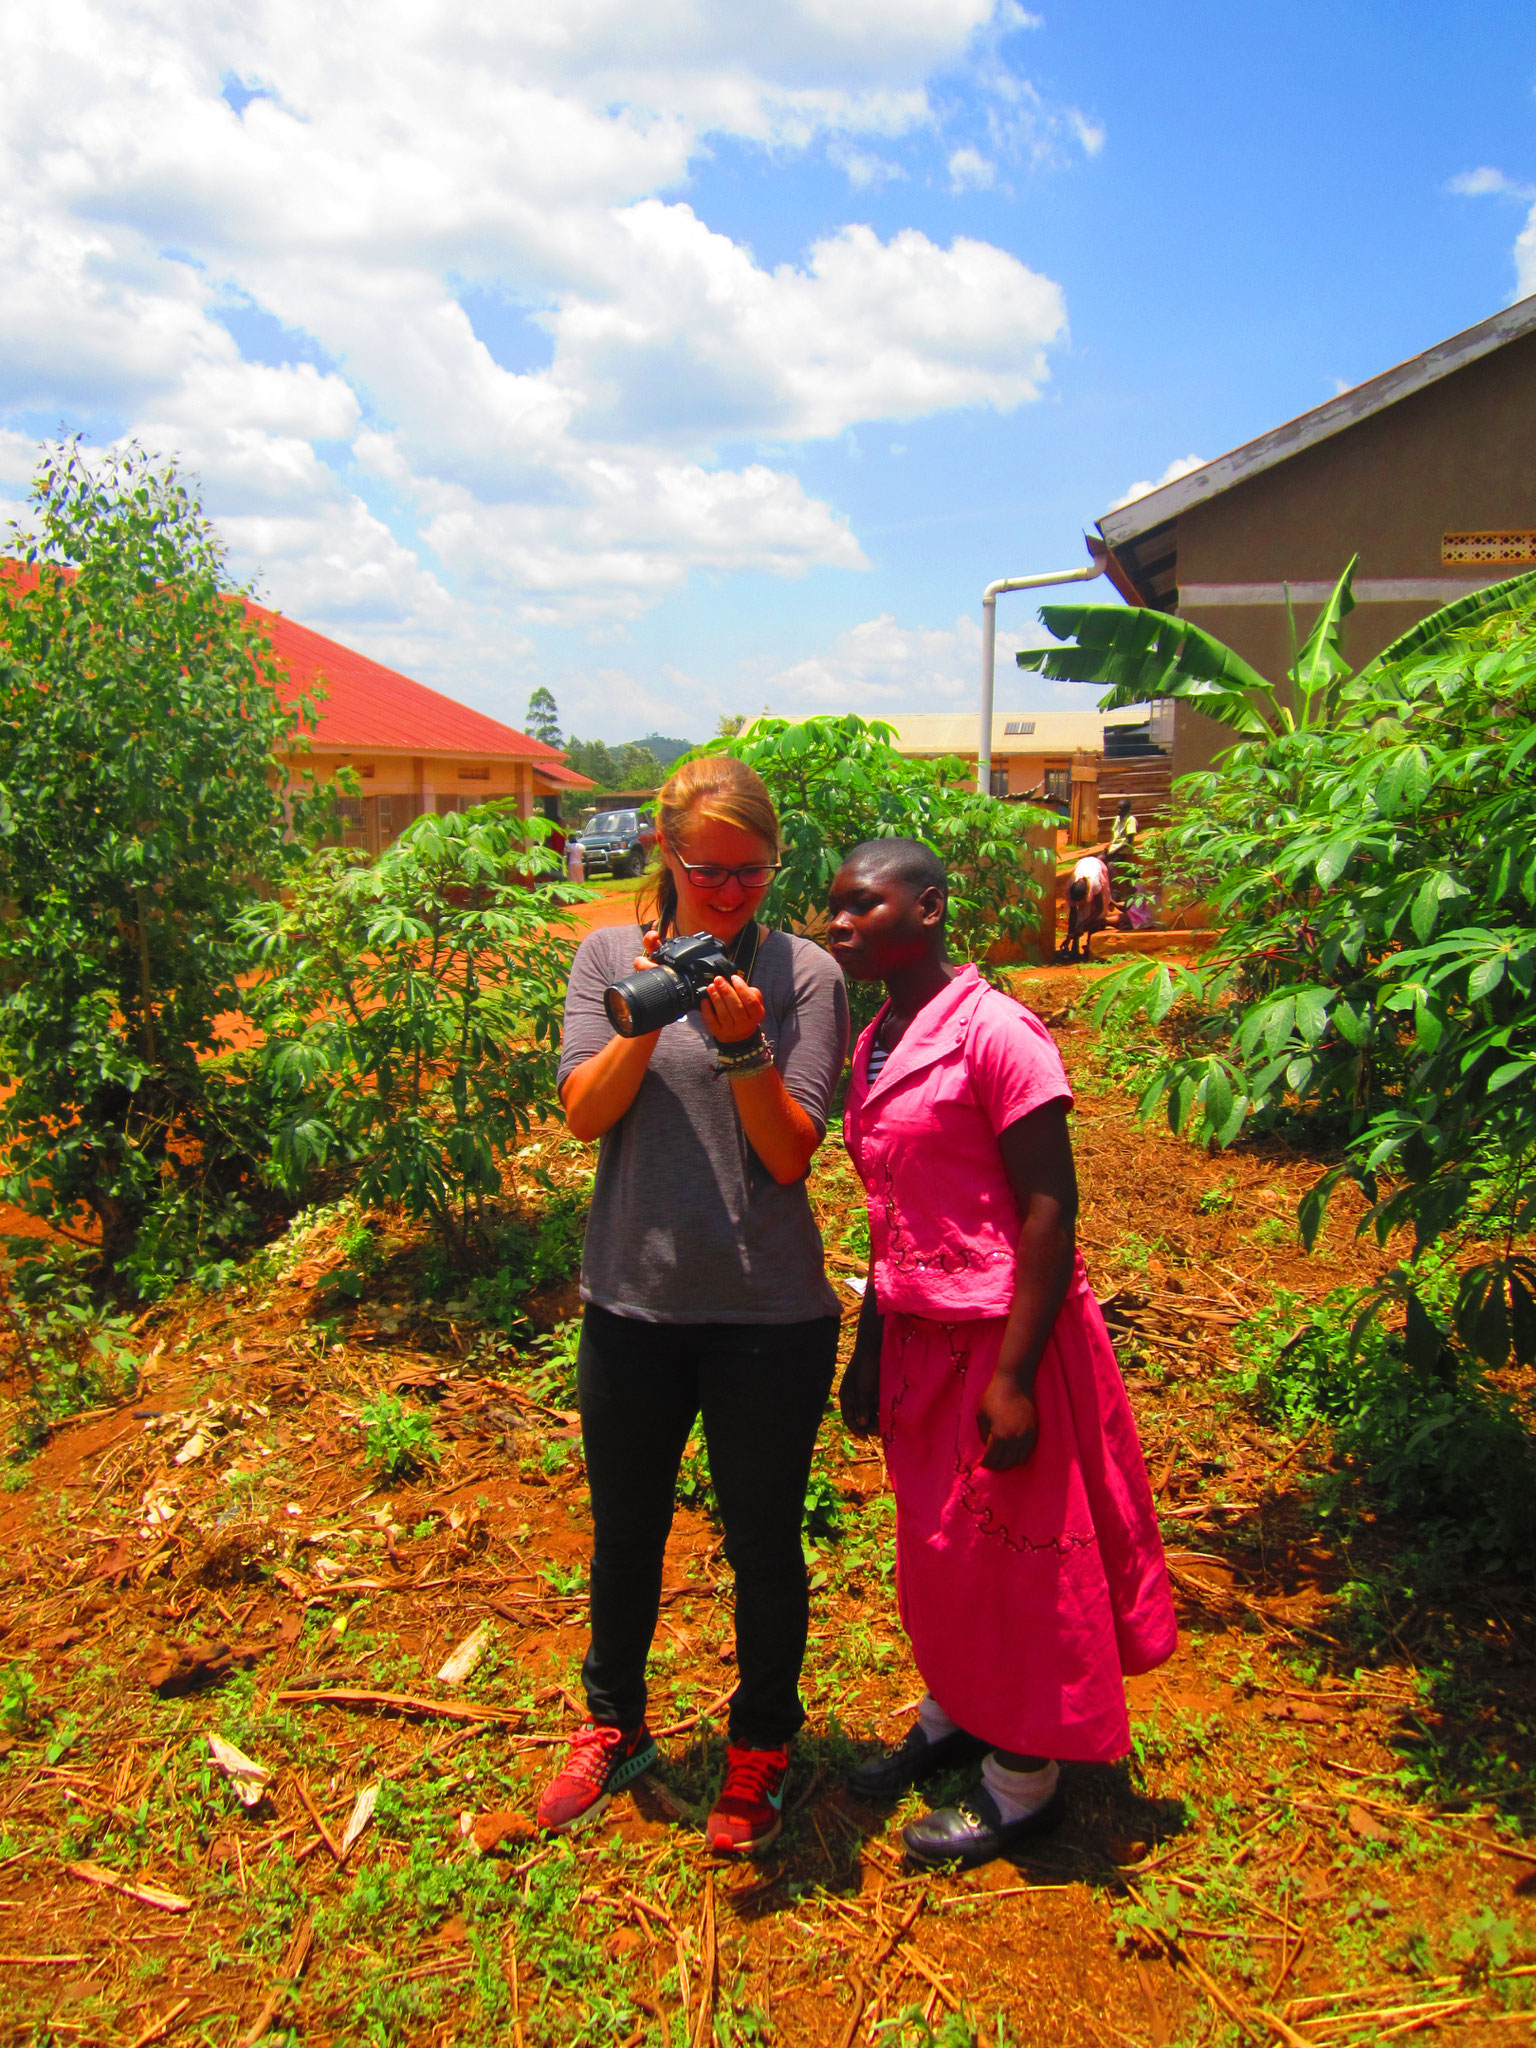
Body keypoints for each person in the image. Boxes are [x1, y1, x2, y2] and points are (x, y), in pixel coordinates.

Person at [826, 839, 1175, 1870]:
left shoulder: (1000, 1034)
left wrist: (1014, 1376)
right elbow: (894, 1215)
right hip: (920, 1336)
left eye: (862, 904)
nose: (839, 923)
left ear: (927, 908)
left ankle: (1026, 1781)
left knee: (1022, 1554)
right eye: (831, 908)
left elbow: (1049, 1207)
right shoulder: (879, 1037)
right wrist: (871, 1341)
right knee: (941, 1543)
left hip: (1004, 1336)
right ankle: (960, 1709)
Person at [538, 755, 850, 1854]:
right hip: (632, 1300)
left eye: (751, 873)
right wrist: (648, 1001)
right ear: (666, 855)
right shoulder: (603, 958)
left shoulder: (804, 973)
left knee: (764, 1541)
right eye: (707, 869)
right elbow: (583, 1116)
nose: (728, 891)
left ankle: (761, 1740)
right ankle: (612, 1721)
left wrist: (740, 1043)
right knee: (625, 1532)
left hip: (769, 1314)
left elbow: (787, 1152)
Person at [1062, 852, 1113, 961]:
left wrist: (1084, 925)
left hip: (1096, 867)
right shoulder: (1070, 887)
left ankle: (1090, 948)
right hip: (1083, 864)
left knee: (1095, 915)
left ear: (1086, 894)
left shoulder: (1095, 884)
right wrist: (1070, 935)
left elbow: (1099, 909)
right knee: (1080, 914)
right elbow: (1073, 912)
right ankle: (1074, 948)